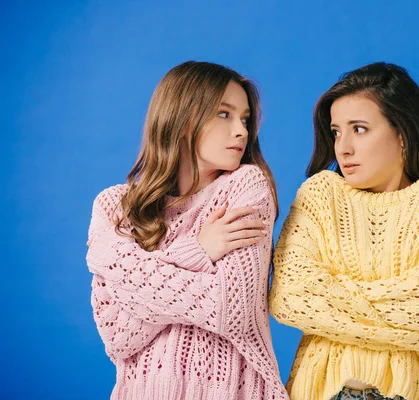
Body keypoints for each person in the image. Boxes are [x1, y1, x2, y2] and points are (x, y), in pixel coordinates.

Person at [270, 62, 419, 400]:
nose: (343, 147)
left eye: (360, 129)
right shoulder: (319, 195)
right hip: (322, 387)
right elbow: (290, 298)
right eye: (336, 132)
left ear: (403, 133)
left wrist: (334, 302)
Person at [86, 61, 288, 400]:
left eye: (245, 118)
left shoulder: (246, 187)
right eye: (224, 114)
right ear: (180, 119)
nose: (241, 130)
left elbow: (231, 309)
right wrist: (199, 250)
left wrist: (139, 284)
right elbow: (118, 337)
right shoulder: (115, 207)